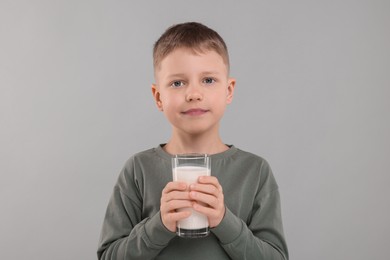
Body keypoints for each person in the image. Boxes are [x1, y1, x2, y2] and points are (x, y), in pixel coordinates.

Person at [97, 22, 289, 260]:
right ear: (158, 97)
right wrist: (159, 225)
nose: (194, 94)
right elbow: (109, 256)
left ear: (228, 90)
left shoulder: (255, 171)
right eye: (178, 83)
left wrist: (223, 220)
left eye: (208, 80)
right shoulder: (138, 169)